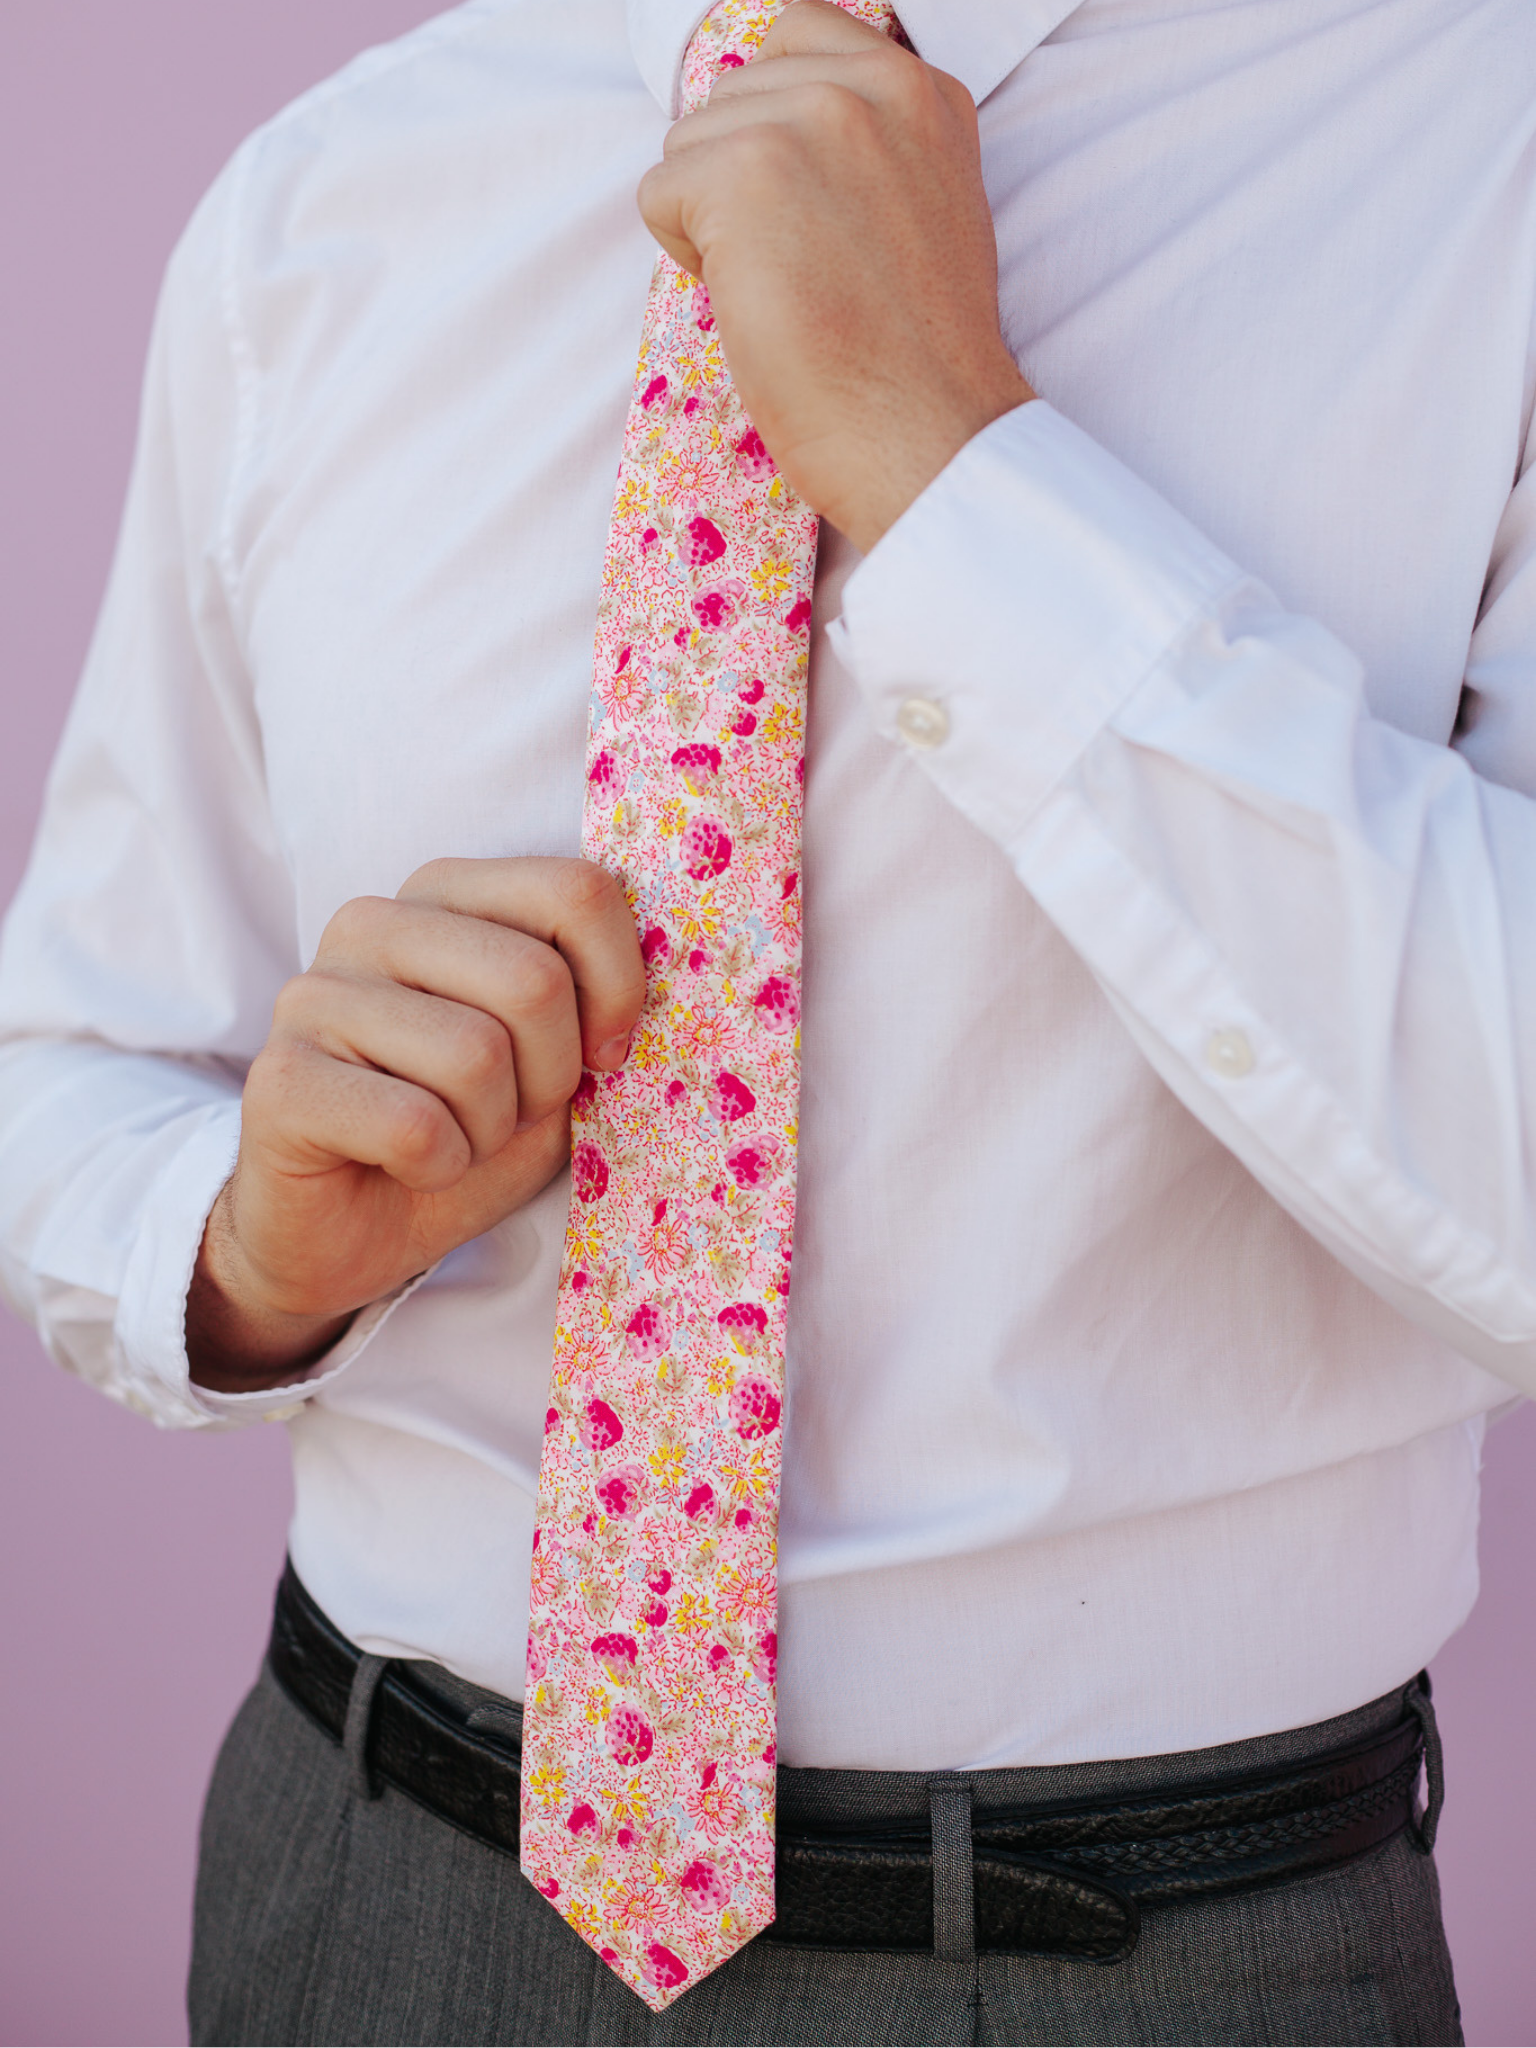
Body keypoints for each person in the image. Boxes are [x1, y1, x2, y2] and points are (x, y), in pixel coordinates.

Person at [1, 0, 1531, 2038]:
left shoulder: (1483, 139)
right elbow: (76, 1056)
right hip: (371, 1892)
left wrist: (955, 470)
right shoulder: (332, 198)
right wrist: (244, 1247)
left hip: (1169, 1953)